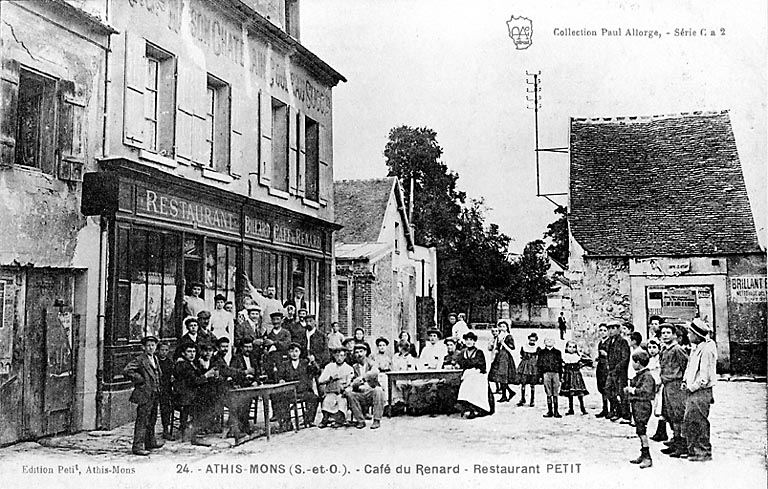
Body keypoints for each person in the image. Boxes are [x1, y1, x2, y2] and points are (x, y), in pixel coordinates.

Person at [681, 318, 717, 462]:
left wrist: (691, 387)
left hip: (700, 392)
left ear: (696, 334)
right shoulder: (696, 347)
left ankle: (703, 452)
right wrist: (685, 381)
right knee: (689, 420)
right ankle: (692, 450)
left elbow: (705, 377)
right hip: (691, 391)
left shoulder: (707, 349)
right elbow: (690, 368)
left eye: (690, 333)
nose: (688, 335)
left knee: (699, 421)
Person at [123, 335, 164, 456]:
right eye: (148, 346)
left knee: (152, 419)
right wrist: (140, 379)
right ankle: (137, 446)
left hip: (154, 392)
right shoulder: (140, 359)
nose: (151, 348)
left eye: (153, 345)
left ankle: (150, 441)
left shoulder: (155, 358)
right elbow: (127, 370)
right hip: (144, 393)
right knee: (142, 420)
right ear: (143, 347)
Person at [173, 342, 217, 446]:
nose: (192, 354)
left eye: (193, 351)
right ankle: (193, 434)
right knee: (207, 403)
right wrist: (206, 375)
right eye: (189, 352)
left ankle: (191, 431)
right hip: (185, 396)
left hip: (189, 393)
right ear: (183, 353)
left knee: (210, 397)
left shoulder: (190, 363)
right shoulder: (183, 365)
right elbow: (194, 381)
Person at [658, 323, 690, 458]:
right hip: (667, 385)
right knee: (669, 414)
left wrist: (683, 382)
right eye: (663, 333)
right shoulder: (665, 350)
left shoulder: (677, 349)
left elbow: (686, 366)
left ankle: (682, 445)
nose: (665, 335)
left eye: (668, 333)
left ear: (674, 335)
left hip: (676, 385)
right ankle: (675, 442)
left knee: (678, 415)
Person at [275, 343, 320, 429]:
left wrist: (313, 362)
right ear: (288, 353)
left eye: (296, 351)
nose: (294, 354)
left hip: (303, 391)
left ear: (300, 352)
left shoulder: (305, 363)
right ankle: (287, 423)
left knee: (314, 398)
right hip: (290, 392)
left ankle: (309, 420)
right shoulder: (285, 364)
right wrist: (281, 380)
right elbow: (280, 376)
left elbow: (316, 371)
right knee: (280, 399)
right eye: (291, 351)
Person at [625, 349, 656, 469]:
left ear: (638, 363)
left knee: (642, 431)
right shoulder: (641, 375)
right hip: (638, 405)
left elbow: (646, 392)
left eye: (633, 362)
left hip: (643, 406)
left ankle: (647, 457)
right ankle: (643, 454)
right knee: (639, 430)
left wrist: (632, 390)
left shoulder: (647, 376)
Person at [345, 343, 385, 429]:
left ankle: (376, 420)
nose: (359, 354)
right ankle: (360, 421)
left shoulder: (372, 363)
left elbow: (375, 372)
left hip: (371, 392)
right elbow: (351, 381)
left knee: (378, 390)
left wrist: (362, 378)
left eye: (361, 352)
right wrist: (354, 384)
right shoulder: (354, 367)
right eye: (356, 352)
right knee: (350, 394)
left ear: (366, 352)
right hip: (360, 393)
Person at [457, 331, 494, 418]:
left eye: (471, 340)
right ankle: (468, 407)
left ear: (474, 341)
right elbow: (460, 363)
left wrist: (469, 364)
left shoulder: (479, 352)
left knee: (474, 386)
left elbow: (480, 365)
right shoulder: (463, 352)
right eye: (467, 340)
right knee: (465, 384)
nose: (469, 342)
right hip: (467, 374)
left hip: (478, 374)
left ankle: (476, 409)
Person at [317, 348, 355, 428]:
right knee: (327, 400)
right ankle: (325, 419)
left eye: (341, 355)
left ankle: (339, 420)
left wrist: (343, 386)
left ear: (345, 356)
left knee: (341, 400)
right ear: (334, 356)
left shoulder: (349, 368)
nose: (339, 358)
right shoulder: (329, 367)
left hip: (342, 390)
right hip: (331, 390)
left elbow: (349, 382)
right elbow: (321, 380)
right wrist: (330, 378)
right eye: (337, 356)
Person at [605, 320, 630, 421]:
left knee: (621, 393)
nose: (610, 331)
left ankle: (625, 414)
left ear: (618, 329)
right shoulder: (610, 341)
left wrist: (617, 369)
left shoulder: (622, 341)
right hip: (611, 371)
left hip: (620, 372)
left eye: (613, 328)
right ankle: (617, 410)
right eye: (609, 328)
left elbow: (625, 358)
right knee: (608, 390)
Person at [488, 321, 517, 403]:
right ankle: (507, 393)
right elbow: (496, 347)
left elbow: (511, 349)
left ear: (507, 327)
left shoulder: (508, 337)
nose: (502, 328)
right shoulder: (499, 336)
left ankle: (506, 394)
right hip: (499, 356)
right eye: (500, 326)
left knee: (503, 376)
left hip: (505, 357)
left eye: (504, 326)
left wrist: (503, 343)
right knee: (499, 376)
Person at [560, 340, 588, 415]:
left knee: (579, 392)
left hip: (576, 375)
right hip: (567, 375)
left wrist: (580, 365)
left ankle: (583, 408)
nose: (571, 349)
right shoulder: (564, 357)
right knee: (570, 393)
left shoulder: (577, 356)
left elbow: (588, 361)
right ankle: (571, 409)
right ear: (566, 348)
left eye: (573, 347)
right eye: (570, 347)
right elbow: (561, 365)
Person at [537, 337, 563, 418]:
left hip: (556, 373)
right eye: (547, 340)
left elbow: (560, 365)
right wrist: (540, 376)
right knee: (548, 392)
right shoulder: (542, 352)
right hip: (546, 373)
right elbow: (539, 365)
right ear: (544, 342)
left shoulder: (557, 352)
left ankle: (556, 411)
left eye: (551, 340)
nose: (549, 341)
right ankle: (549, 411)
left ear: (554, 342)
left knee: (555, 392)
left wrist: (561, 376)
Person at [623, 331, 644, 426]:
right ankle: (631, 417)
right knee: (630, 398)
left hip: (635, 376)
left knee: (635, 398)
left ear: (634, 341)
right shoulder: (632, 351)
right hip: (630, 375)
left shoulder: (639, 352)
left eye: (630, 339)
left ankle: (635, 419)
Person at [646, 338, 665, 441]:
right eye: (650, 347)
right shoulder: (650, 360)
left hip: (659, 386)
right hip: (653, 386)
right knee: (657, 408)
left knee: (660, 408)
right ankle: (660, 431)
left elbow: (660, 374)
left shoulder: (659, 360)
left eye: (654, 347)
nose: (652, 350)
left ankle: (661, 432)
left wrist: (657, 384)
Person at [264, 311, 291, 382]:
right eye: (274, 319)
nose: (275, 322)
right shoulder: (269, 334)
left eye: (277, 319)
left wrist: (274, 343)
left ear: (282, 321)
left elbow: (287, 344)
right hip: (272, 360)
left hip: (283, 360)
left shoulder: (286, 333)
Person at [515, 332, 541, 407]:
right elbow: (521, 354)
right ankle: (522, 398)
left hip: (533, 366)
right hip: (525, 366)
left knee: (532, 384)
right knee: (523, 383)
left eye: (533, 340)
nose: (532, 341)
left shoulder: (537, 348)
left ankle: (532, 400)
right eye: (531, 340)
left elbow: (539, 356)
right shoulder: (524, 346)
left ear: (536, 340)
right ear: (528, 339)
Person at [156, 341, 175, 440]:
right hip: (155, 387)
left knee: (166, 409)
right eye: (162, 350)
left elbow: (172, 375)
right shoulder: (155, 361)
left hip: (166, 388)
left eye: (166, 350)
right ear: (158, 350)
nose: (164, 352)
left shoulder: (170, 362)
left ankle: (165, 430)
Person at [594, 323, 611, 417]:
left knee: (607, 388)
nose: (602, 332)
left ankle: (611, 409)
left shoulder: (609, 342)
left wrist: (606, 354)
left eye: (604, 330)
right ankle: (605, 409)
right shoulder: (601, 342)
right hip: (600, 367)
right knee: (601, 388)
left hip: (607, 367)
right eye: (601, 330)